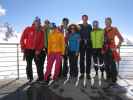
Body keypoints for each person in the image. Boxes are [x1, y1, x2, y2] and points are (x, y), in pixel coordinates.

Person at [103, 17, 124, 84]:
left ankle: (114, 78)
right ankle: (108, 77)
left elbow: (121, 39)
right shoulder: (103, 30)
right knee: (106, 64)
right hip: (105, 49)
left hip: (112, 49)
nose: (107, 23)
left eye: (108, 21)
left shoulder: (114, 29)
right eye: (106, 21)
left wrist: (117, 46)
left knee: (112, 65)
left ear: (111, 22)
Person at [79, 15, 92, 79]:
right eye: (83, 18)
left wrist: (88, 40)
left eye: (86, 18)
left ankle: (88, 74)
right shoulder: (79, 26)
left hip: (89, 45)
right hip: (81, 45)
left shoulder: (90, 26)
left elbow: (91, 35)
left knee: (88, 60)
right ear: (82, 19)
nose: (84, 19)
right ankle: (82, 73)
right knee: (81, 59)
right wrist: (81, 39)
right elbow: (77, 34)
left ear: (87, 19)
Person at [33, 17, 46, 82]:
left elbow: (43, 41)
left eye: (38, 22)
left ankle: (41, 78)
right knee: (38, 65)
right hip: (35, 51)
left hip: (40, 51)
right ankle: (40, 77)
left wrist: (39, 50)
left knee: (40, 65)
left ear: (39, 23)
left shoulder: (41, 31)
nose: (37, 23)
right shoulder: (34, 30)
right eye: (36, 22)